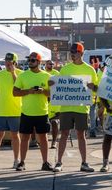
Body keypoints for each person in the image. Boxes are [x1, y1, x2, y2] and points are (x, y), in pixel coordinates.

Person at [52, 42, 98, 173]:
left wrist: (92, 87)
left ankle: (84, 162)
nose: (72, 55)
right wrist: (52, 83)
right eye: (71, 52)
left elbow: (95, 89)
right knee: (64, 134)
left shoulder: (90, 70)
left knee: (81, 135)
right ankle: (59, 162)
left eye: (75, 52)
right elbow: (60, 86)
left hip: (82, 108)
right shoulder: (66, 69)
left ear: (81, 53)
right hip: (66, 107)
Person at [13, 53, 53, 171]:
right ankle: (22, 162)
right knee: (25, 138)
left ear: (39, 62)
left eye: (33, 60)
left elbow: (51, 93)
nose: (30, 62)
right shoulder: (23, 75)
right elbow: (15, 92)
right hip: (27, 112)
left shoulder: (47, 76)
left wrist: (42, 91)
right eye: (29, 60)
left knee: (43, 138)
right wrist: (29, 91)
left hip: (42, 112)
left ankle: (45, 162)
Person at [45, 60, 60, 149]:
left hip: (55, 103)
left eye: (52, 64)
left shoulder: (57, 73)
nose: (51, 65)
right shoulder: (42, 73)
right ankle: (37, 141)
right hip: (45, 103)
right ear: (45, 65)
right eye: (49, 64)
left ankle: (54, 142)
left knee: (54, 122)